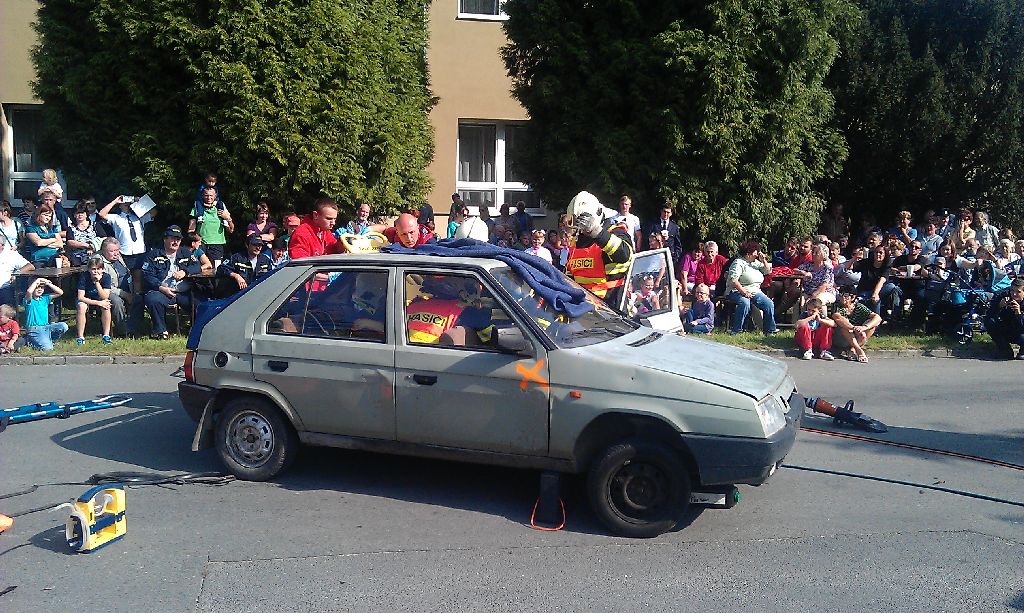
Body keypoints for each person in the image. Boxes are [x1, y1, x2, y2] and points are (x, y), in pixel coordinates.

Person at [565, 191, 634, 306]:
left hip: (612, 309)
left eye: (583, 224)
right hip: (583, 308)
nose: (580, 230)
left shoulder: (616, 233)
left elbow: (625, 254)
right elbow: (570, 277)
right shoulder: (576, 242)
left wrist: (597, 232)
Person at [141, 225, 201, 340]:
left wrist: (185, 272)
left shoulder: (185, 252)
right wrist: (161, 288)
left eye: (178, 239)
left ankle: (196, 329)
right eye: (173, 238)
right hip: (162, 291)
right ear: (165, 239)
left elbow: (197, 266)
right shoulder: (154, 254)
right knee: (153, 300)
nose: (176, 242)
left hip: (183, 292)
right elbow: (147, 275)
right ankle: (161, 331)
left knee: (201, 303)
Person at [724, 239, 777, 335]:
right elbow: (733, 280)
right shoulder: (738, 263)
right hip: (736, 291)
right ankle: (736, 330)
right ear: (749, 253)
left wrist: (764, 260)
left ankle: (769, 330)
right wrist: (744, 292)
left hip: (755, 291)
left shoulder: (755, 263)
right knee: (745, 303)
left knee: (769, 304)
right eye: (756, 252)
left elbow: (767, 271)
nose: (757, 254)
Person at [97, 195, 150, 276]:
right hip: (124, 253)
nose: (126, 203)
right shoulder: (116, 217)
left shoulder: (139, 217)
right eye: (124, 202)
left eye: (128, 202)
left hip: (139, 252)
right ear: (120, 206)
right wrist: (115, 201)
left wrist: (140, 201)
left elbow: (154, 212)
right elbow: (101, 214)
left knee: (138, 278)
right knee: (124, 277)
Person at [98, 237, 138, 337]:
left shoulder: (118, 257)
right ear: (104, 251)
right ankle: (123, 331)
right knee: (117, 301)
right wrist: (124, 294)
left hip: (127, 287)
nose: (116, 253)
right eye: (112, 251)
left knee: (140, 298)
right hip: (107, 291)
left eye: (117, 250)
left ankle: (135, 327)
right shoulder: (99, 261)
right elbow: (105, 285)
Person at [830, 288, 882, 363]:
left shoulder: (858, 306)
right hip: (841, 337)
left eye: (846, 296)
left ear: (853, 297)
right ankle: (859, 350)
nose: (842, 298)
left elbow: (878, 318)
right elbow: (838, 318)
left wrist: (864, 327)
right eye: (840, 295)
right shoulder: (836, 306)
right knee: (844, 325)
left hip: (858, 337)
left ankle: (853, 349)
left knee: (872, 325)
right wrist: (854, 328)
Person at [188, 186, 233, 266]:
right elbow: (191, 230)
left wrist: (228, 219)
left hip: (217, 245)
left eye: (211, 195)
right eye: (206, 195)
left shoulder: (221, 208)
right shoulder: (197, 208)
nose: (209, 198)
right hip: (201, 244)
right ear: (202, 196)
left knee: (216, 269)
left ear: (215, 196)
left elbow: (231, 230)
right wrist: (194, 241)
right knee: (198, 267)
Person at [74, 255, 113, 345]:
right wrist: (98, 303)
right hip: (86, 298)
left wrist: (97, 282)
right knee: (81, 307)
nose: (96, 271)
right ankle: (80, 337)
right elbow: (80, 297)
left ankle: (106, 335)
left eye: (98, 269)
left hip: (99, 298)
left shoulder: (106, 277)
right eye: (93, 269)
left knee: (106, 306)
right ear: (89, 269)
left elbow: (105, 296)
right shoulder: (84, 276)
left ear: (102, 269)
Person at [890, 240, 930, 327]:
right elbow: (891, 268)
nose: (913, 248)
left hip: (918, 287)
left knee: (922, 297)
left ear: (920, 250)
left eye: (916, 247)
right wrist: (896, 270)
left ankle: (914, 321)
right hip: (903, 286)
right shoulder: (900, 259)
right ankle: (896, 318)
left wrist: (901, 268)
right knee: (895, 291)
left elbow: (916, 267)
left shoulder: (922, 259)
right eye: (912, 246)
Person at [23, 277, 68, 351]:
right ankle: (29, 340)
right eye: (37, 287)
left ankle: (49, 340)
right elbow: (29, 292)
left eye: (42, 287)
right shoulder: (29, 300)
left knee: (64, 326)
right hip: (34, 329)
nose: (39, 289)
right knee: (48, 349)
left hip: (46, 327)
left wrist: (48, 284)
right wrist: (37, 281)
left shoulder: (45, 298)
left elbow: (60, 292)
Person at [854, 245, 898, 318]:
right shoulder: (867, 262)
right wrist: (855, 257)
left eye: (880, 253)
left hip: (876, 292)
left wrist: (875, 294)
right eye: (876, 252)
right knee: (877, 301)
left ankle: (894, 316)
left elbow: (882, 280)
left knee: (891, 286)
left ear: (885, 255)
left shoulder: (886, 266)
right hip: (864, 291)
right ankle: (876, 322)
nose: (878, 254)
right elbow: (848, 267)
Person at [986, 279, 1024, 360]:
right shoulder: (1004, 296)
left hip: (1021, 332)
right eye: (1012, 290)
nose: (1014, 294)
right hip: (1009, 329)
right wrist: (999, 306)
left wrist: (1018, 314)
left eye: (1018, 292)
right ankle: (1005, 350)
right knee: (990, 322)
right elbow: (989, 314)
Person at [0, 232, 33, 308]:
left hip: (4, 289)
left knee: (6, 309)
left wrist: (16, 273)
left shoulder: (11, 255)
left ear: (2, 245)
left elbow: (30, 266)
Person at [66, 202, 99, 266]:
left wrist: (93, 246)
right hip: (76, 259)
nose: (80, 215)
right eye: (78, 213)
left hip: (94, 258)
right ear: (74, 215)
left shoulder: (95, 225)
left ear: (86, 214)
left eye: (82, 213)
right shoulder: (71, 228)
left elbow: (104, 238)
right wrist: (87, 246)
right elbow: (70, 242)